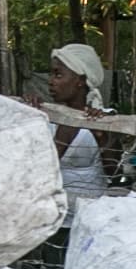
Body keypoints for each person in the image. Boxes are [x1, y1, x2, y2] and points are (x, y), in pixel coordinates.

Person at [35, 43, 111, 200]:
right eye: (51, 74)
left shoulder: (104, 119)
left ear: (80, 81)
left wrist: (100, 135)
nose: (50, 81)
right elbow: (36, 170)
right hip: (51, 210)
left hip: (90, 210)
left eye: (58, 75)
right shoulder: (46, 116)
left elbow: (116, 173)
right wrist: (28, 112)